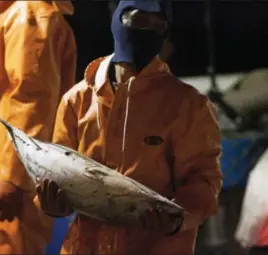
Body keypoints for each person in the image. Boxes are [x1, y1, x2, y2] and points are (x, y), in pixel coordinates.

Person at [36, 0, 223, 254]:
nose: (147, 30)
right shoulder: (76, 100)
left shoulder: (189, 106)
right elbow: (57, 172)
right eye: (137, 19)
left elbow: (204, 181)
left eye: (158, 25)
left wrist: (178, 216)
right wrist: (51, 203)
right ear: (117, 20)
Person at [0, 1, 77, 254]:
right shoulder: (14, 15)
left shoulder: (30, 14)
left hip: (6, 183)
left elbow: (32, 98)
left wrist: (14, 175)